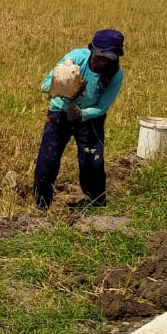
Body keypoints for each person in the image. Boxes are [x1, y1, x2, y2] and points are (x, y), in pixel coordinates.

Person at [32, 29, 126, 211]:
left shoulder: (115, 75)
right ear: (92, 50)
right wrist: (62, 84)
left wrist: (81, 114)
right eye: (99, 57)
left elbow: (102, 107)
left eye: (108, 60)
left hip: (90, 118)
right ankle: (42, 205)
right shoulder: (75, 58)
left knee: (93, 161)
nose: (102, 63)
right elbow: (44, 85)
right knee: (48, 160)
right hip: (59, 113)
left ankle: (97, 205)